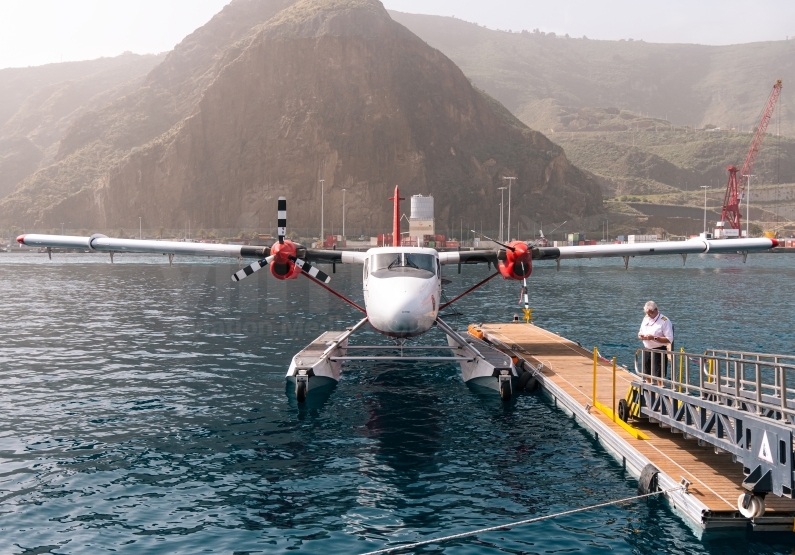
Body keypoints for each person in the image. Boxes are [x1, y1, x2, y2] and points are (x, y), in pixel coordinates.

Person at [637, 301, 673, 381]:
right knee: (647, 374)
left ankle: (660, 392)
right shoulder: (646, 318)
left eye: (651, 313)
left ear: (656, 310)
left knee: (659, 377)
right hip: (647, 349)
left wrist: (654, 338)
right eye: (647, 313)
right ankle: (649, 392)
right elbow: (641, 331)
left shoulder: (665, 321)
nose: (649, 315)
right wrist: (640, 335)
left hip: (659, 351)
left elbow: (669, 339)